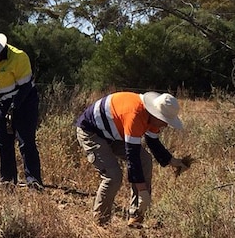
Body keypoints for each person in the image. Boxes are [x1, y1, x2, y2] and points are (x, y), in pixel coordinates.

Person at [76, 91, 189, 227]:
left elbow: (153, 142)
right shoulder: (135, 116)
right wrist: (142, 191)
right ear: (156, 114)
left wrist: (172, 161)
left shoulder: (151, 116)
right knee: (113, 177)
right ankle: (101, 223)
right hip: (91, 132)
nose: (165, 125)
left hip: (114, 134)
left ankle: (136, 216)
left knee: (145, 160)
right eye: (165, 121)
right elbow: (132, 157)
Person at [0, 32, 43, 189]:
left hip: (24, 102)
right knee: (2, 141)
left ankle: (34, 181)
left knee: (26, 142)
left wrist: (14, 107)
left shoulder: (19, 57)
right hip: (0, 102)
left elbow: (25, 87)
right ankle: (7, 180)